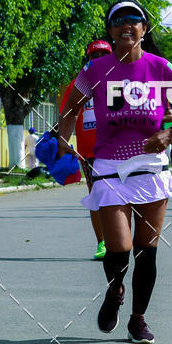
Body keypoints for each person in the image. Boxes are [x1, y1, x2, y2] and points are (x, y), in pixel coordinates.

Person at [57, 0, 172, 344]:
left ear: (144, 28)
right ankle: (115, 288)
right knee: (119, 248)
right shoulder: (95, 70)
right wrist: (64, 140)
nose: (127, 24)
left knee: (146, 250)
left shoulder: (161, 68)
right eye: (119, 20)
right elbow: (70, 108)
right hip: (109, 167)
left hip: (151, 168)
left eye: (134, 19)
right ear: (110, 29)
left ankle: (138, 319)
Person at [60, 40, 113, 259]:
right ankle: (102, 243)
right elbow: (67, 114)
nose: (99, 58)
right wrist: (62, 141)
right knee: (96, 196)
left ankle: (119, 239)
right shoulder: (78, 84)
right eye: (94, 55)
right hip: (89, 151)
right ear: (88, 59)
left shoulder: (120, 80)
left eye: (104, 54)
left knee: (119, 195)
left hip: (117, 149)